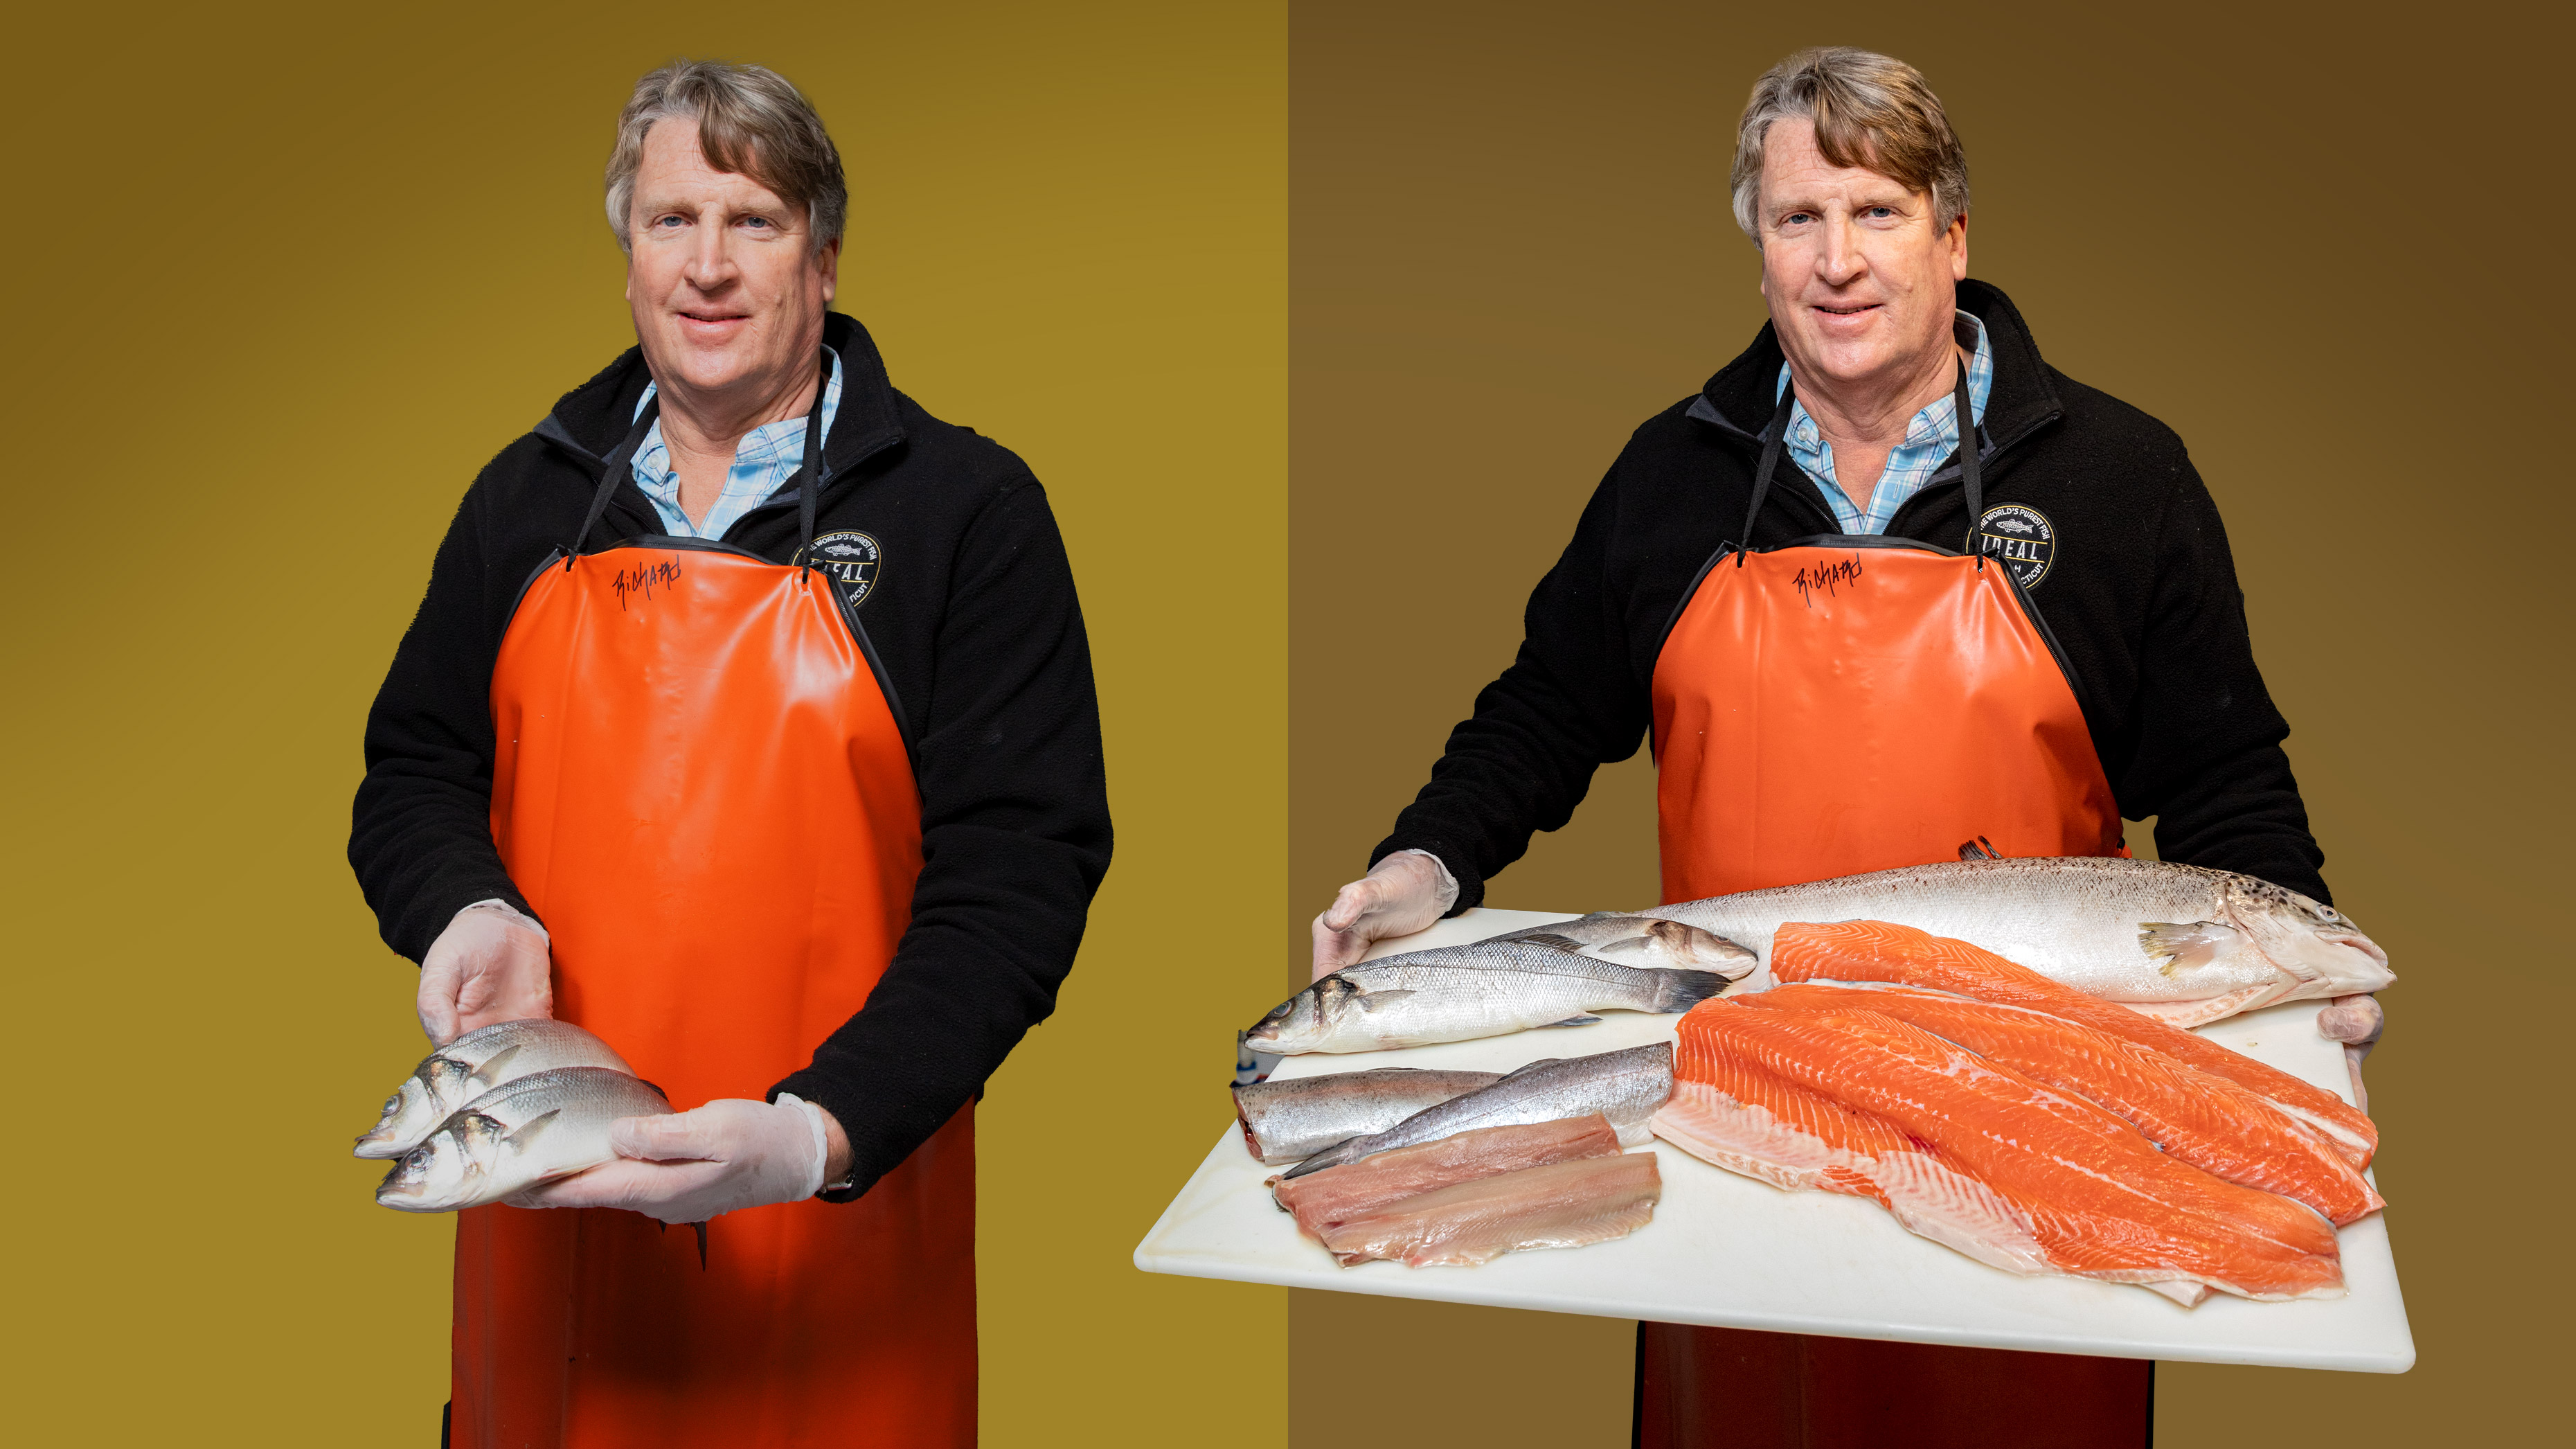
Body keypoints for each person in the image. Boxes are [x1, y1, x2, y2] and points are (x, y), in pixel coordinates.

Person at [1305, 46, 2378, 1448]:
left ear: (1953, 235)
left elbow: (2226, 773)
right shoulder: (1670, 474)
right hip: (1741, 1112)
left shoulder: (2120, 478)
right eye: (1797, 218)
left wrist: (2302, 968)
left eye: (1876, 212)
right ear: (1757, 246)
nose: (1837, 261)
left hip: (2035, 1119)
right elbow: (1549, 704)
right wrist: (1425, 862)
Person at [348, 60, 1109, 1449]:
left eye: (752, 220)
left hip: (837, 1226)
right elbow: (414, 769)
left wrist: (817, 1131)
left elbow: (1020, 879)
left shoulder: (966, 511)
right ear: (627, 252)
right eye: (669, 220)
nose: (707, 266)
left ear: (821, 253)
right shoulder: (525, 500)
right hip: (548, 1236)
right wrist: (469, 906)